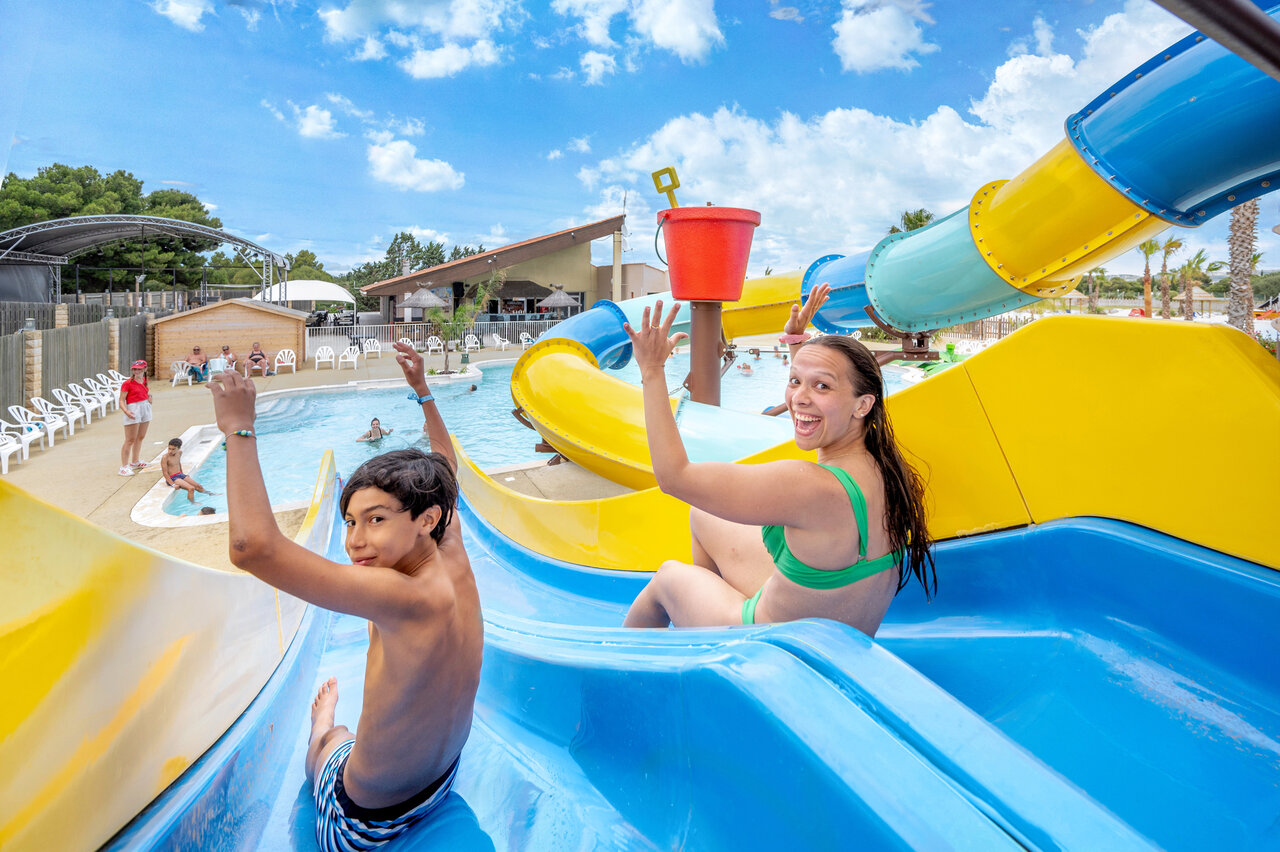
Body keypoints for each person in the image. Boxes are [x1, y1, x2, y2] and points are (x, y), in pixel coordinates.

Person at [207, 341, 481, 850]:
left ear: (426, 519)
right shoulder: (449, 544)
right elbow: (446, 468)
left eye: (376, 520)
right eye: (350, 522)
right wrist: (422, 391)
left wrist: (238, 430)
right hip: (445, 775)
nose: (355, 540)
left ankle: (324, 725)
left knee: (332, 745)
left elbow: (252, 548)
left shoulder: (399, 594)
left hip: (365, 823)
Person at [621, 284, 935, 636]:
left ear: (863, 405)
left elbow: (674, 477)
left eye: (821, 387)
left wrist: (651, 369)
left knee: (667, 578)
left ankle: (635, 674)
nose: (798, 398)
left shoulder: (807, 485)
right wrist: (797, 339)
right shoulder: (887, 468)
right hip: (838, 635)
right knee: (704, 513)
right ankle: (708, 632)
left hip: (779, 645)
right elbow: (825, 392)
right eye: (795, 381)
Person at [118, 360, 153, 476]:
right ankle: (123, 466)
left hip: (145, 407)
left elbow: (145, 392)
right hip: (133, 409)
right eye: (134, 369)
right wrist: (126, 411)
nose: (136, 371)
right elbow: (121, 400)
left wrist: (149, 397)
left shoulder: (145, 380)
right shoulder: (127, 383)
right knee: (130, 439)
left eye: (139, 369)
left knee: (140, 436)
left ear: (144, 369)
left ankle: (135, 461)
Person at [161, 437, 212, 502]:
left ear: (178, 448)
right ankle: (193, 503)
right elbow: (165, 472)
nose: (170, 451)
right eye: (169, 449)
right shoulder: (165, 457)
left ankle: (210, 493)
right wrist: (173, 484)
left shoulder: (179, 453)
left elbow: (178, 463)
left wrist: (183, 474)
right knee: (191, 488)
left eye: (173, 449)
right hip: (172, 478)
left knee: (199, 486)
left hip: (179, 474)